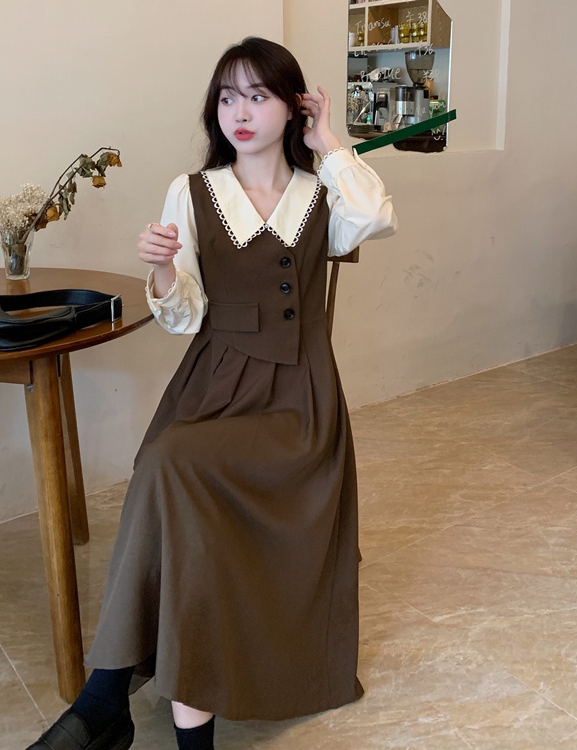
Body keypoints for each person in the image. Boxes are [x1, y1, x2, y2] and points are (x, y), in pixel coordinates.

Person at [27, 36, 397, 750]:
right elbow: (185, 314)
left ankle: (106, 702)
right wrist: (163, 270)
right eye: (228, 98)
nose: (241, 113)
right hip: (215, 382)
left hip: (299, 400)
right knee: (168, 470)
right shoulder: (193, 191)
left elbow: (376, 217)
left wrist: (330, 141)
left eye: (259, 96)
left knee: (174, 471)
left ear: (293, 106)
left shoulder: (322, 191)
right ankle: (144, 710)